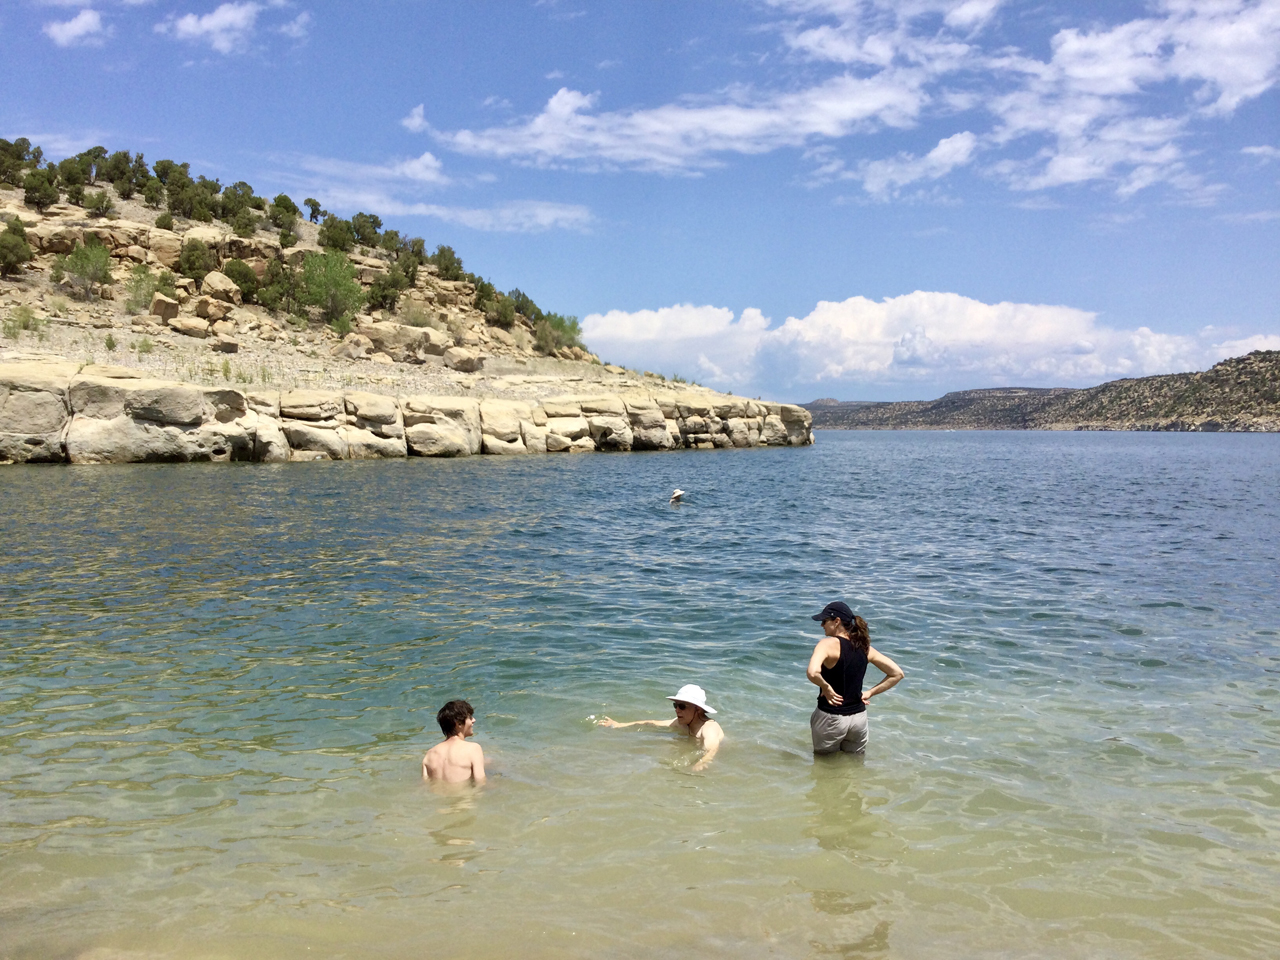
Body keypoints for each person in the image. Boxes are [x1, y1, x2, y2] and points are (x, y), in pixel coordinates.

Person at [806, 601, 903, 756]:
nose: (822, 625)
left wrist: (826, 687)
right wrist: (870, 693)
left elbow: (812, 672)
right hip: (859, 718)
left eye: (824, 621)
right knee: (855, 764)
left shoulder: (827, 644)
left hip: (831, 717)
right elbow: (897, 673)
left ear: (836, 621)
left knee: (825, 765)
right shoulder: (864, 647)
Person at [596, 683, 724, 771]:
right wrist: (619, 725)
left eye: (682, 706)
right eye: (675, 705)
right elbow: (651, 723)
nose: (677, 710)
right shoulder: (680, 724)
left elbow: (712, 748)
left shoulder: (709, 727)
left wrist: (702, 763)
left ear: (698, 709)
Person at [422, 699, 486, 784]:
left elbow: (425, 785)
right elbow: (480, 782)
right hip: (465, 797)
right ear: (459, 723)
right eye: (470, 717)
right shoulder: (473, 749)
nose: (474, 720)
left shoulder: (429, 755)